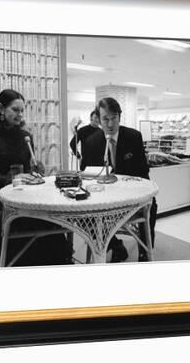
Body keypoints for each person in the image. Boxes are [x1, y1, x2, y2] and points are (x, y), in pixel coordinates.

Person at [0, 89, 72, 266]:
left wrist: (35, 170)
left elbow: (27, 171)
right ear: (1, 108)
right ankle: (20, 264)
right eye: (15, 110)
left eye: (22, 111)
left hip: (21, 196)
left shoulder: (25, 136)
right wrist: (8, 179)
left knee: (46, 218)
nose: (20, 115)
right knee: (18, 222)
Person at [81, 97, 156, 262]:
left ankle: (145, 251)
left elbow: (143, 171)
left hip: (131, 195)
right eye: (105, 119)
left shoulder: (134, 137)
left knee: (152, 206)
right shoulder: (91, 142)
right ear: (98, 119)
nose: (109, 124)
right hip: (104, 197)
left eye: (113, 118)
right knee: (84, 217)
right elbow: (85, 174)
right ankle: (115, 245)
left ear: (119, 117)